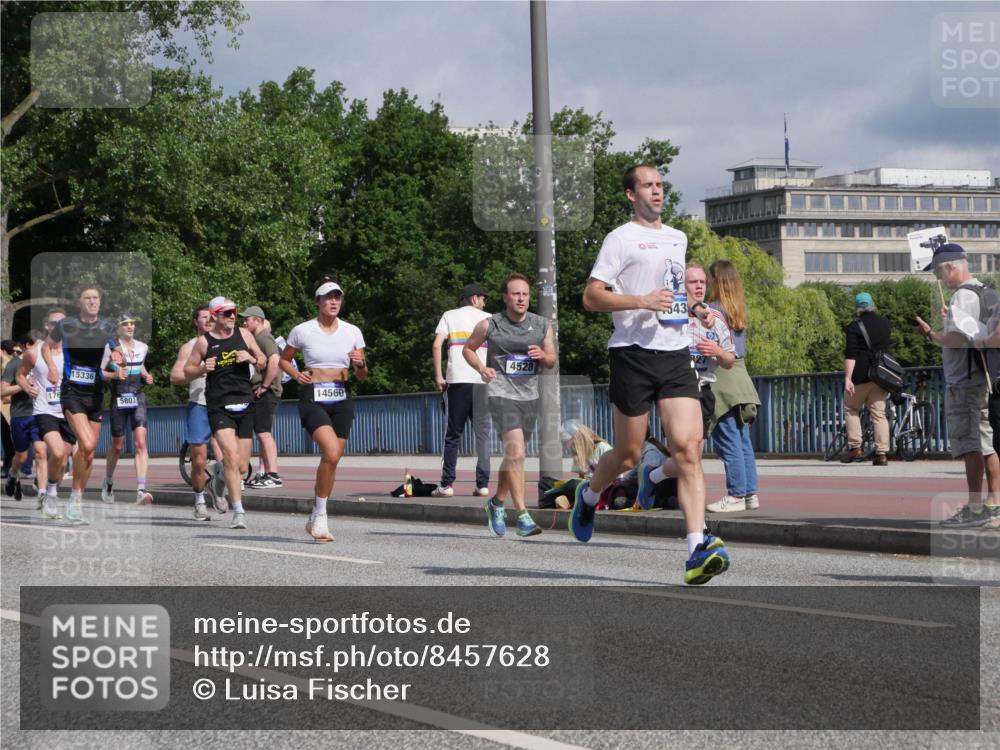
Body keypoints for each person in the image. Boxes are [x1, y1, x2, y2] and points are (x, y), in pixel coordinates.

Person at [571, 163, 730, 585]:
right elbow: (591, 297)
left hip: (675, 354)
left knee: (689, 449)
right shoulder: (619, 239)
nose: (656, 192)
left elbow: (672, 291)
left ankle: (696, 547)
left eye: (660, 185)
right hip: (632, 353)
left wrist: (694, 308)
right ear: (630, 194)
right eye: (647, 186)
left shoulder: (677, 238)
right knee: (627, 453)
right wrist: (641, 299)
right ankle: (587, 497)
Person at [914, 243, 1000, 527]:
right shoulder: (983, 289)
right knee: (987, 443)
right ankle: (993, 503)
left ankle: (975, 508)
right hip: (984, 378)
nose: (941, 280)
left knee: (969, 445)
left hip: (963, 381)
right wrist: (949, 320)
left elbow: (956, 340)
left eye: (940, 273)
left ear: (952, 267)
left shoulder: (962, 296)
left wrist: (931, 334)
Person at [463, 273, 555, 538]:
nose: (521, 298)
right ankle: (523, 515)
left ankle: (496, 503)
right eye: (516, 294)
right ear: (505, 297)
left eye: (525, 294)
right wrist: (482, 367)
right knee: (516, 453)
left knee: (513, 456)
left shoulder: (541, 324)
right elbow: (468, 349)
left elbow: (551, 360)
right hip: (501, 393)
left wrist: (543, 356)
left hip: (529, 396)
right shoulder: (490, 324)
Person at [280, 278, 368, 542]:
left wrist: (361, 363)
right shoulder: (303, 330)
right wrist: (296, 376)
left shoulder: (352, 331)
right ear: (317, 301)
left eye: (337, 297)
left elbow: (362, 375)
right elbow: (283, 360)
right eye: (328, 297)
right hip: (313, 396)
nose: (333, 302)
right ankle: (321, 515)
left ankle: (316, 511)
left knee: (332, 459)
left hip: (341, 395)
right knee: (330, 451)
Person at [646, 264, 736, 497]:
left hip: (703, 390)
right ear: (682, 288)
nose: (698, 287)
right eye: (692, 282)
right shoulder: (671, 314)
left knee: (693, 456)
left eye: (702, 282)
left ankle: (653, 477)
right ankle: (696, 521)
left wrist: (716, 350)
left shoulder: (715, 317)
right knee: (686, 456)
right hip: (676, 390)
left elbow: (729, 360)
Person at [184, 296, 266, 530]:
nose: (231, 317)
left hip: (245, 401)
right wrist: (201, 368)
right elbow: (186, 371)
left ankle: (217, 480)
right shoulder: (204, 342)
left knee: (241, 466)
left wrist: (251, 357)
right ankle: (238, 511)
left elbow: (262, 360)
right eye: (226, 313)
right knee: (229, 454)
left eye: (233, 312)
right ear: (215, 316)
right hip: (219, 404)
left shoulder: (245, 335)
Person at [42, 284, 120, 525]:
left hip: (95, 394)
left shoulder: (107, 326)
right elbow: (46, 346)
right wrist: (53, 367)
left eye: (96, 297)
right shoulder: (66, 326)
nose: (92, 301)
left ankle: (75, 501)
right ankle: (54, 492)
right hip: (71, 392)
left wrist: (118, 357)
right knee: (85, 443)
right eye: (87, 298)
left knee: (89, 451)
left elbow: (117, 351)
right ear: (79, 302)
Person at [704, 259, 763, 513]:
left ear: (717, 281)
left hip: (722, 378)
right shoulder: (738, 310)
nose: (706, 283)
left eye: (709, 278)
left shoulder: (712, 310)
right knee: (742, 440)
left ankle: (736, 494)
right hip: (742, 377)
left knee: (727, 439)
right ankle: (750, 494)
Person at [431, 283, 492, 498]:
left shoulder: (449, 315)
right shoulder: (490, 319)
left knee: (452, 435)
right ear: (474, 299)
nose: (485, 302)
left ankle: (447, 485)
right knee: (483, 435)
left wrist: (439, 375)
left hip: (457, 381)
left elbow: (437, 344)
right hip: (482, 382)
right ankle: (482, 484)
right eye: (483, 298)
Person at [170, 304, 227, 521]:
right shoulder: (189, 347)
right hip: (199, 403)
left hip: (222, 404)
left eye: (212, 316)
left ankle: (217, 485)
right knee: (199, 459)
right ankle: (199, 500)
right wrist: (200, 370)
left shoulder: (227, 341)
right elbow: (175, 377)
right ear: (196, 321)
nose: (209, 320)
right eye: (204, 317)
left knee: (231, 457)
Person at [17, 309, 73, 517]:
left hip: (68, 412)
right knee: (55, 452)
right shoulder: (34, 352)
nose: (59, 327)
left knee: (62, 457)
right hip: (44, 410)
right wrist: (26, 387)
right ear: (47, 326)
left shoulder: (72, 351)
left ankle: (50, 490)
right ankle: (47, 493)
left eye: (63, 323)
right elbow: (20, 374)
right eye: (54, 323)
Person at [100, 312, 155, 504]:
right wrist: (114, 375)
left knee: (141, 442)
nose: (130, 327)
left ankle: (141, 489)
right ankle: (108, 481)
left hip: (138, 397)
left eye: (132, 323)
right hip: (119, 398)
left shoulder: (143, 346)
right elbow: (99, 371)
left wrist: (146, 375)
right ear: (118, 329)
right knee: (118, 445)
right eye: (125, 324)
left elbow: (139, 366)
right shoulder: (111, 348)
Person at [841, 292, 892, 466]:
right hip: (880, 376)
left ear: (857, 308)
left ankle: (855, 447)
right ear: (872, 305)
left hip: (860, 377)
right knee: (879, 414)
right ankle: (881, 453)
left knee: (851, 408)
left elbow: (851, 354)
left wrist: (848, 378)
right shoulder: (885, 323)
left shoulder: (854, 326)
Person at [241, 305, 284, 489]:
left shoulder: (264, 337)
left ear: (257, 320)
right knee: (261, 432)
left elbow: (274, 360)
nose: (244, 322)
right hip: (260, 390)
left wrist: (265, 386)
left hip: (266, 391)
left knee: (264, 433)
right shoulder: (257, 338)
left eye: (247, 319)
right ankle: (266, 473)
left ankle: (273, 475)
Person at [2, 334, 36, 501]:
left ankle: (44, 492)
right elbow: (3, 392)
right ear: (27, 346)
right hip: (19, 414)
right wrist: (23, 385)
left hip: (41, 413)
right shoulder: (13, 365)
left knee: (44, 452)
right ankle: (13, 477)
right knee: (20, 455)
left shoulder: (45, 362)